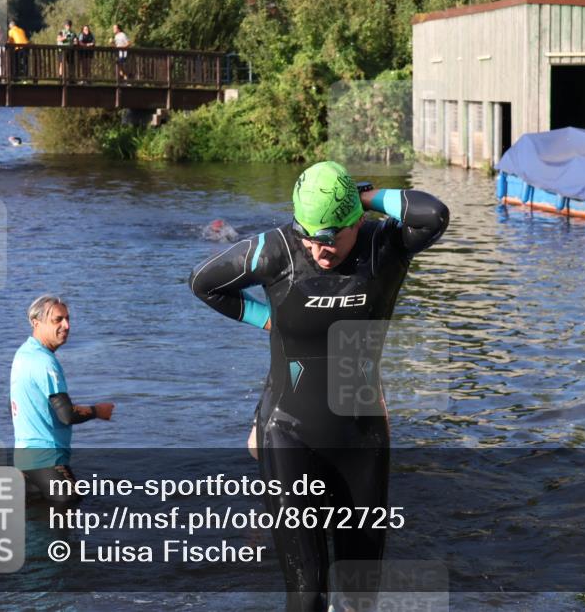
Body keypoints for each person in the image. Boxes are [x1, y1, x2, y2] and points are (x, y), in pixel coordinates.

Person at [190, 161, 449, 612]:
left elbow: (434, 214)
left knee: (358, 593)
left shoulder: (382, 246)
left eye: (330, 235)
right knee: (307, 592)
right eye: (309, 234)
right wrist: (264, 318)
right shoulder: (277, 250)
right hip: (289, 429)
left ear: (355, 220)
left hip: (360, 432)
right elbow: (205, 283)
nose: (319, 248)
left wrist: (366, 197)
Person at [10, 295, 115, 506]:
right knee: (68, 524)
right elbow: (66, 414)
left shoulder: (23, 354)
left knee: (38, 529)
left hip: (24, 461)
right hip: (48, 460)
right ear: (36, 323)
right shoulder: (44, 362)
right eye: (57, 320)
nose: (66, 325)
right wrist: (98, 411)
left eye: (67, 319)